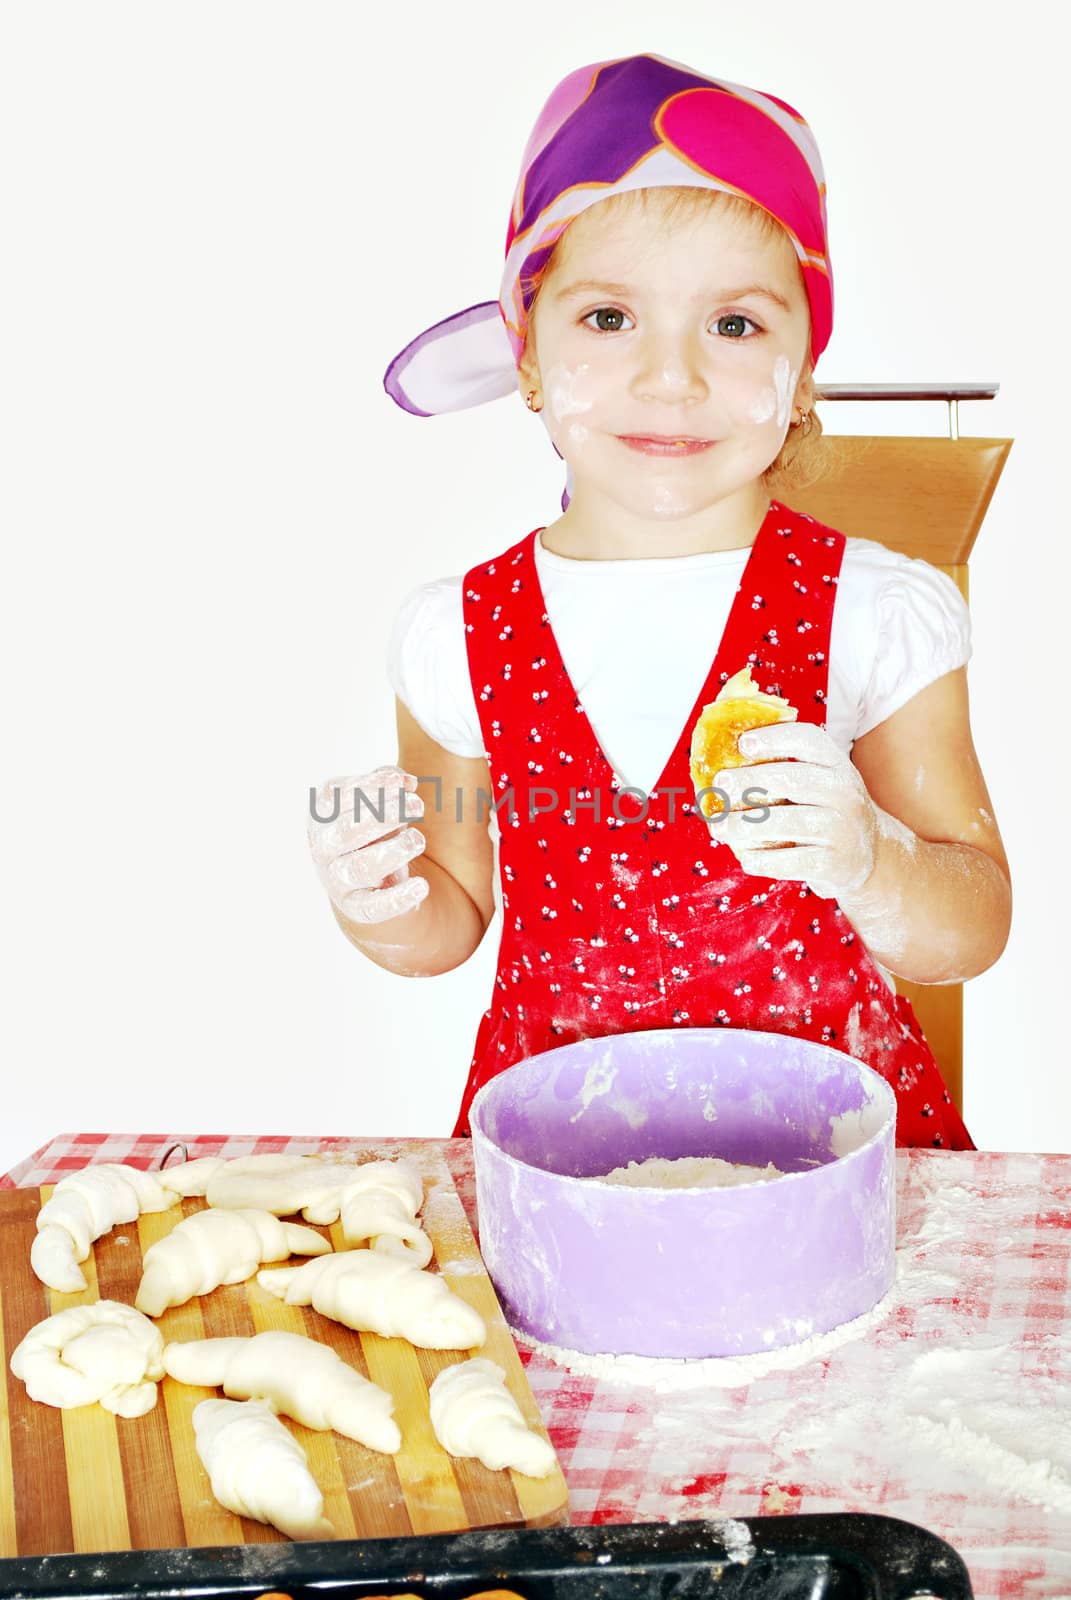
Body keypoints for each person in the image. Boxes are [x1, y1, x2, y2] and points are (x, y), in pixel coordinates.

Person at [307, 52, 1011, 1149]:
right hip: (563, 1171)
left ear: (802, 371)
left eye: (735, 325)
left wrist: (874, 858)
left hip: (839, 1172)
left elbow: (970, 927)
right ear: (528, 357)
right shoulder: (457, 633)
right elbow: (452, 912)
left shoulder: (874, 610)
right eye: (606, 319)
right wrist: (380, 895)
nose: (671, 376)